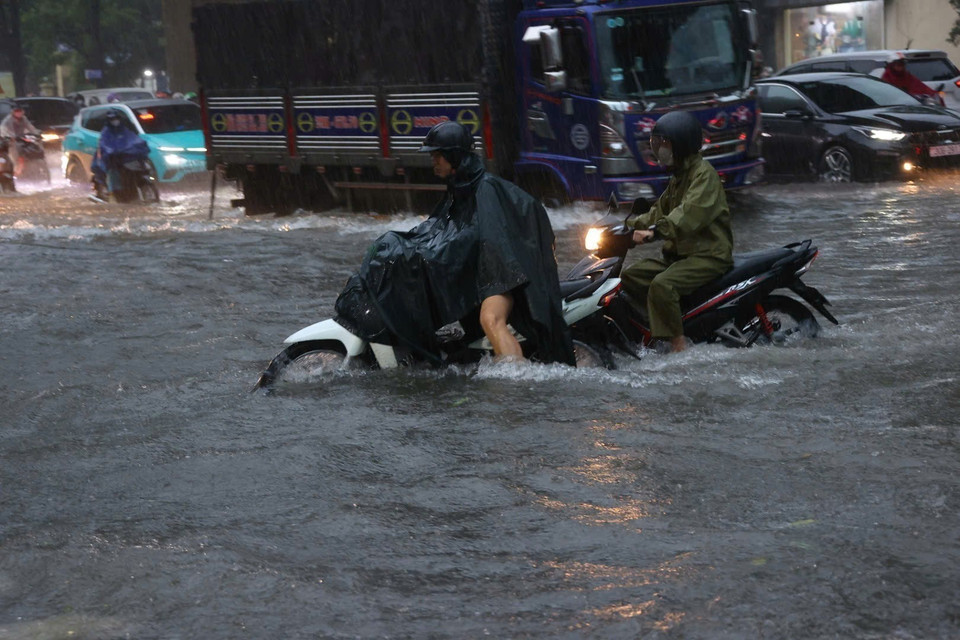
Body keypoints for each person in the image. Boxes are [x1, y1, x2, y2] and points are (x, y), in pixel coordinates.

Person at [334, 120, 575, 366]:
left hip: (504, 272)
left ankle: (519, 383)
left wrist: (435, 254)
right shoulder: (461, 188)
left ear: (455, 156)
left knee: (491, 320)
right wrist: (406, 246)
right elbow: (440, 229)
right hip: (485, 270)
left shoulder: (486, 188)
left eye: (438, 156)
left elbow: (482, 238)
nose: (433, 161)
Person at [620, 110, 733, 353]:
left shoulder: (704, 175)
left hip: (707, 257)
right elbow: (656, 213)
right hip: (680, 257)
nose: (658, 149)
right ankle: (658, 326)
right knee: (631, 276)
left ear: (680, 144)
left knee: (663, 285)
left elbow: (686, 216)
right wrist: (623, 227)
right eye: (657, 143)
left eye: (664, 144)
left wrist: (653, 233)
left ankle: (677, 343)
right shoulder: (678, 178)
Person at [92, 109, 149, 202]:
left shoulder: (124, 129)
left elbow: (133, 139)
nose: (115, 121)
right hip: (111, 159)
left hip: (125, 158)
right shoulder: (106, 132)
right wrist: (110, 150)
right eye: (112, 119)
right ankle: (113, 194)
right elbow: (104, 144)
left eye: (116, 118)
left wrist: (139, 145)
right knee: (113, 174)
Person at [0, 103, 40, 177]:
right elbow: (4, 130)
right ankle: (16, 170)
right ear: (13, 112)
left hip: (21, 139)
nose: (18, 113)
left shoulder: (24, 119)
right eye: (16, 111)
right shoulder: (8, 121)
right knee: (14, 151)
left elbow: (30, 127)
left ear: (23, 112)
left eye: (20, 111)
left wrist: (37, 134)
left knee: (35, 145)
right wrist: (10, 137)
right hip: (9, 141)